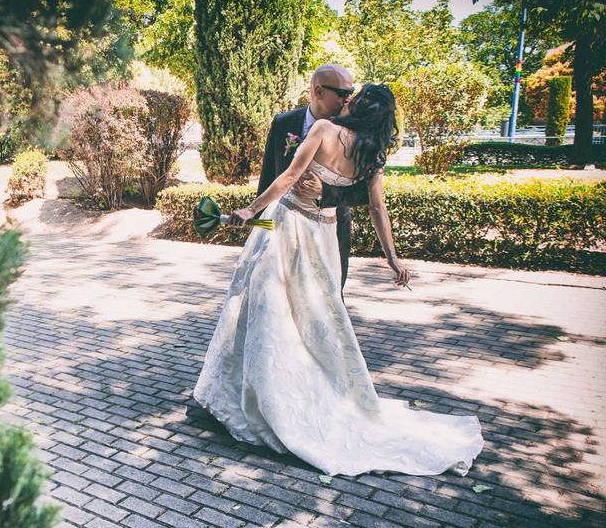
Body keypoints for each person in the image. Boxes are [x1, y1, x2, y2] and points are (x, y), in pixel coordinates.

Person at [193, 84, 483, 476]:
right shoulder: (371, 155)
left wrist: (249, 209)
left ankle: (265, 399)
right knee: (316, 316)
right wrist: (392, 259)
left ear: (358, 105)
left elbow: (289, 177)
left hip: (290, 227)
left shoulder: (325, 130)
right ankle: (271, 389)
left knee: (269, 309)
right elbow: (378, 208)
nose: (347, 97)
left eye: (353, 95)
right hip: (323, 236)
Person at [257, 64, 375, 289]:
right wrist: (259, 226)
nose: (349, 100)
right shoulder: (283, 123)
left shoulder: (356, 133)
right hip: (283, 229)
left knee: (327, 299)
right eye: (343, 93)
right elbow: (269, 175)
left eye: (352, 93)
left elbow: (366, 194)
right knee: (276, 294)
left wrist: (325, 192)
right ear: (319, 91)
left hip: (329, 231)